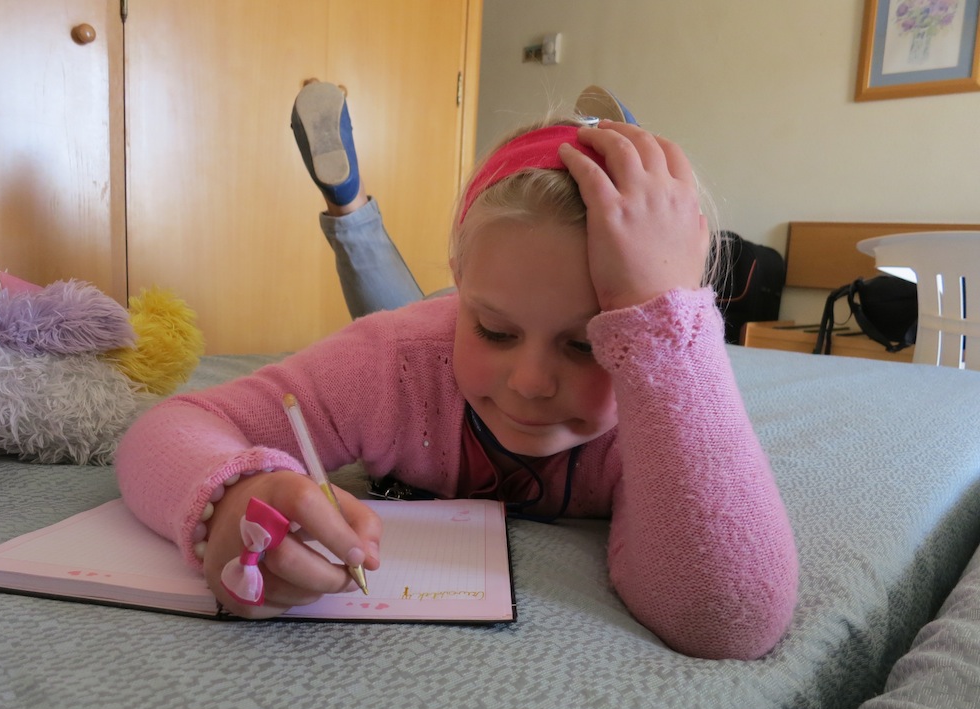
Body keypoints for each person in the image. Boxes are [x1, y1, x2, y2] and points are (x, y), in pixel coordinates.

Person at [115, 98, 799, 661]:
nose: (530, 383)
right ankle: (353, 210)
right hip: (422, 325)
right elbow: (169, 428)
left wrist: (659, 328)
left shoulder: (661, 381)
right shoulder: (398, 359)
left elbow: (729, 618)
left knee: (393, 301)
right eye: (494, 330)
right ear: (463, 285)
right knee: (390, 309)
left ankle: (363, 210)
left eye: (588, 344)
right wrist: (229, 497)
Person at [291, 81, 638, 319]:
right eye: (497, 334)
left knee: (405, 344)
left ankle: (349, 206)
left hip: (453, 308)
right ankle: (629, 177)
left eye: (581, 346)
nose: (530, 382)